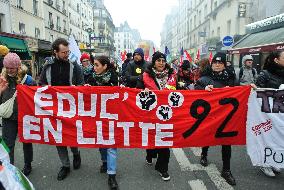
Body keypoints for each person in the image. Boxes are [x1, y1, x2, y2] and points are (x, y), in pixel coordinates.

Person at [39, 38, 84, 181]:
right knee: (58, 137)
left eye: (68, 51)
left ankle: (76, 153)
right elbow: (41, 84)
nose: (66, 54)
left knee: (71, 135)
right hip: (54, 109)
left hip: (71, 108)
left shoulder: (75, 66)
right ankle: (65, 165)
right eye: (64, 52)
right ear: (55, 52)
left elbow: (81, 84)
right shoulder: (47, 66)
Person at [194, 52, 237, 186]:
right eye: (215, 63)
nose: (217, 65)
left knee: (226, 142)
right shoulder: (204, 79)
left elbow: (241, 92)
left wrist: (251, 90)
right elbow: (194, 92)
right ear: (211, 64)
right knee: (208, 137)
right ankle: (204, 154)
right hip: (209, 115)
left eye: (220, 63)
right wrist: (203, 89)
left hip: (226, 117)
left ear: (224, 65)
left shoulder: (232, 79)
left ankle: (226, 169)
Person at [136, 51, 176, 181]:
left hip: (166, 114)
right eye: (158, 60)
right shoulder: (145, 75)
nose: (161, 63)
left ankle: (163, 168)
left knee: (164, 141)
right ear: (154, 62)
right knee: (152, 140)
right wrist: (143, 91)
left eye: (163, 61)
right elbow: (137, 91)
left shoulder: (172, 75)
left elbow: (181, 92)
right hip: (150, 113)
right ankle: (150, 153)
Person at [0, 53, 36, 176]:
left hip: (24, 117)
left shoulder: (28, 80)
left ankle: (28, 164)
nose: (9, 70)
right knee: (8, 144)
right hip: (8, 118)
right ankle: (10, 168)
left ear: (18, 67)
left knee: (26, 141)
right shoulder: (1, 79)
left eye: (12, 68)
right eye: (7, 67)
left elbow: (36, 98)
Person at [86, 56, 119, 190]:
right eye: (94, 65)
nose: (94, 67)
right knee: (101, 142)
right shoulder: (91, 78)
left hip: (111, 115)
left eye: (97, 65)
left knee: (111, 144)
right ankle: (104, 162)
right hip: (97, 116)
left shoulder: (114, 79)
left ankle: (112, 175)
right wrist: (86, 89)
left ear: (105, 66)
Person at [253, 50, 284, 177]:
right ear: (276, 60)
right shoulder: (265, 74)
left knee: (277, 137)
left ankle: (273, 160)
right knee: (266, 137)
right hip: (266, 113)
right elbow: (257, 93)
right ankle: (264, 163)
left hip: (280, 113)